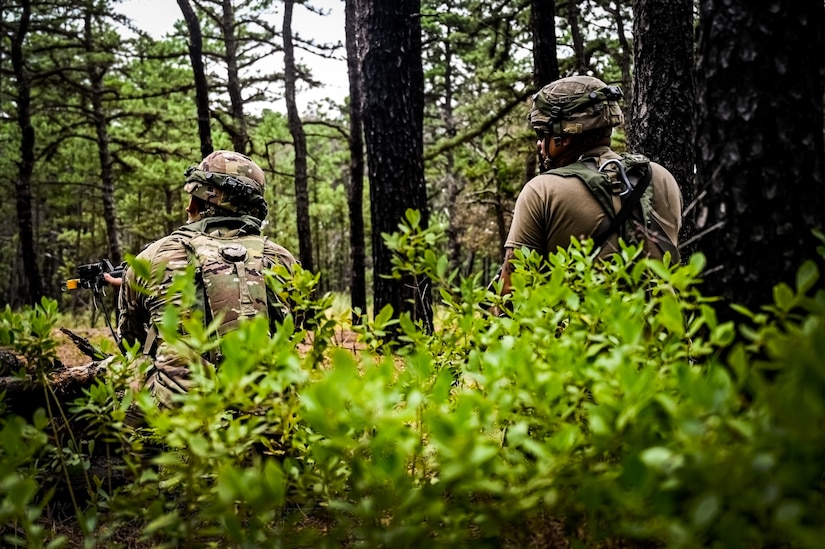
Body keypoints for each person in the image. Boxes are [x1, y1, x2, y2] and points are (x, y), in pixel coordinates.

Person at [109, 150, 297, 411]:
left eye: (193, 199)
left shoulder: (152, 257)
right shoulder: (284, 260)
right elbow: (293, 329)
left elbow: (130, 342)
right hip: (269, 418)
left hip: (180, 419)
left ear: (203, 203)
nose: (188, 207)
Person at [498, 75, 683, 297]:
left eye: (542, 134)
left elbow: (510, 294)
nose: (539, 143)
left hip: (583, 329)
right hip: (665, 329)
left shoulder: (541, 191)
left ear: (562, 139)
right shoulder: (661, 177)